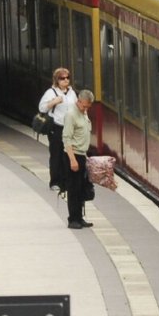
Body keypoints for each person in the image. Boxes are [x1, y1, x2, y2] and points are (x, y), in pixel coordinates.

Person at [37, 67, 76, 190]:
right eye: (62, 78)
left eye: (67, 78)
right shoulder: (51, 92)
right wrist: (53, 102)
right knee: (56, 154)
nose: (65, 80)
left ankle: (66, 181)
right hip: (56, 128)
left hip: (69, 128)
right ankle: (55, 182)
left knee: (68, 154)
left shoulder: (71, 92)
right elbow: (42, 108)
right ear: (56, 80)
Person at [62, 89, 95, 229]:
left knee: (81, 188)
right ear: (78, 101)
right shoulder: (71, 115)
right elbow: (66, 138)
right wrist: (72, 160)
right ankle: (72, 219)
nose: (86, 109)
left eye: (88, 107)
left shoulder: (83, 113)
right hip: (73, 155)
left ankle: (79, 217)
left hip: (82, 155)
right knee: (73, 189)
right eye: (84, 106)